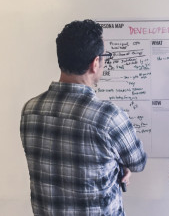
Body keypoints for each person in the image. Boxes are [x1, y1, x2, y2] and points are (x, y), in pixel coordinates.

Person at [20, 19, 147, 216]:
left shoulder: (30, 110)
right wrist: (121, 166)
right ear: (95, 63)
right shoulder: (108, 117)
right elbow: (138, 162)